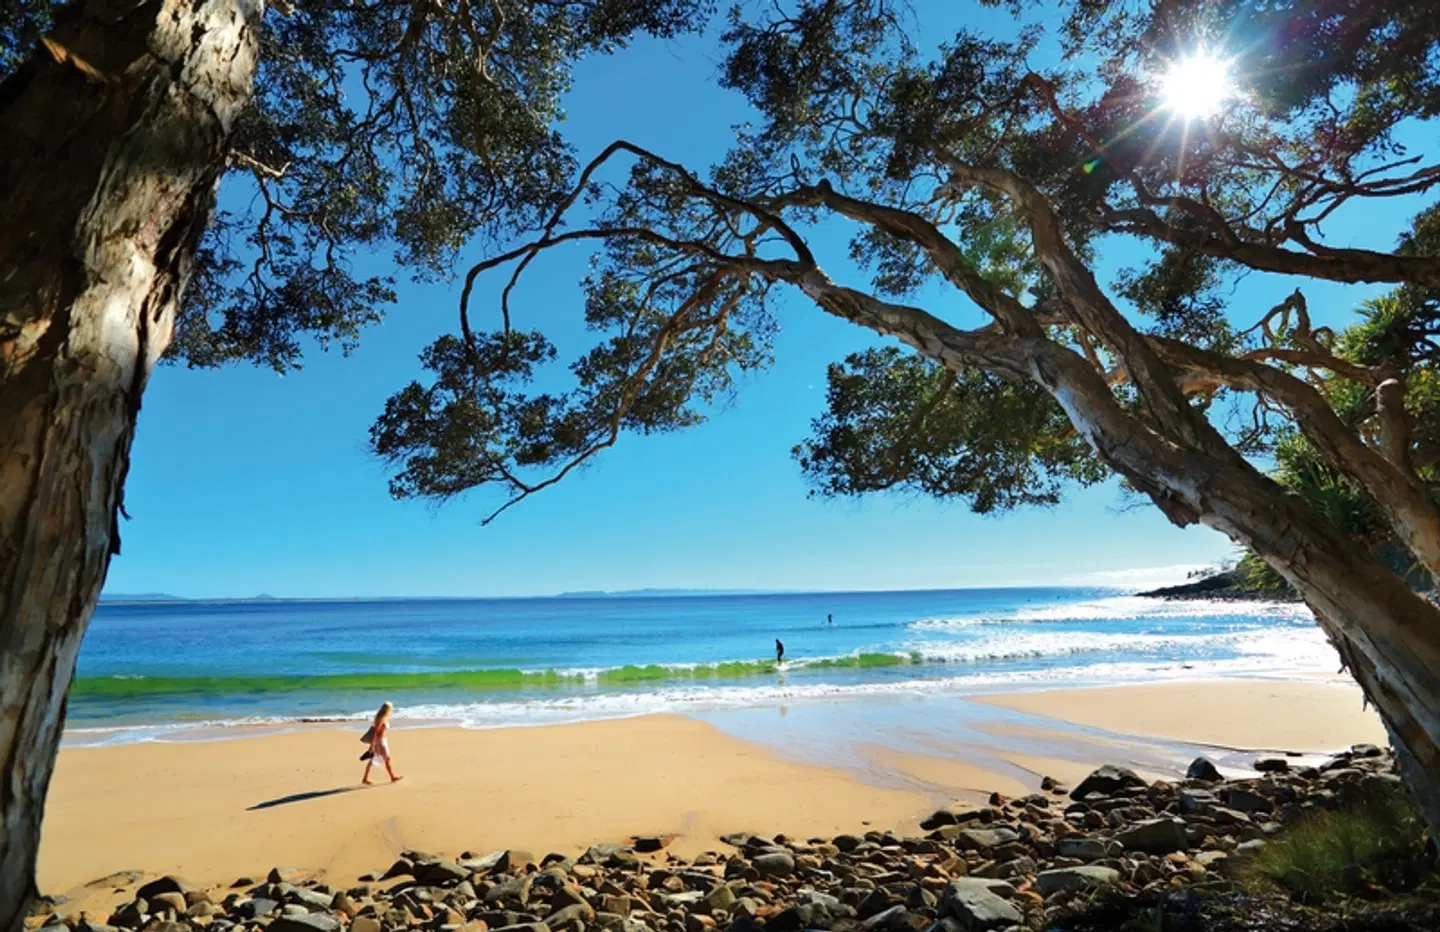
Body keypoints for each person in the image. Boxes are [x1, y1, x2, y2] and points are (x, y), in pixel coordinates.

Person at [362, 701, 403, 784]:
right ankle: (392, 777)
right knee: (387, 758)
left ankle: (365, 778)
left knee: (373, 759)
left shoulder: (383, 717)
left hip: (383, 740)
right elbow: (376, 732)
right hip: (380, 742)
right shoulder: (381, 719)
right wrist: (372, 745)